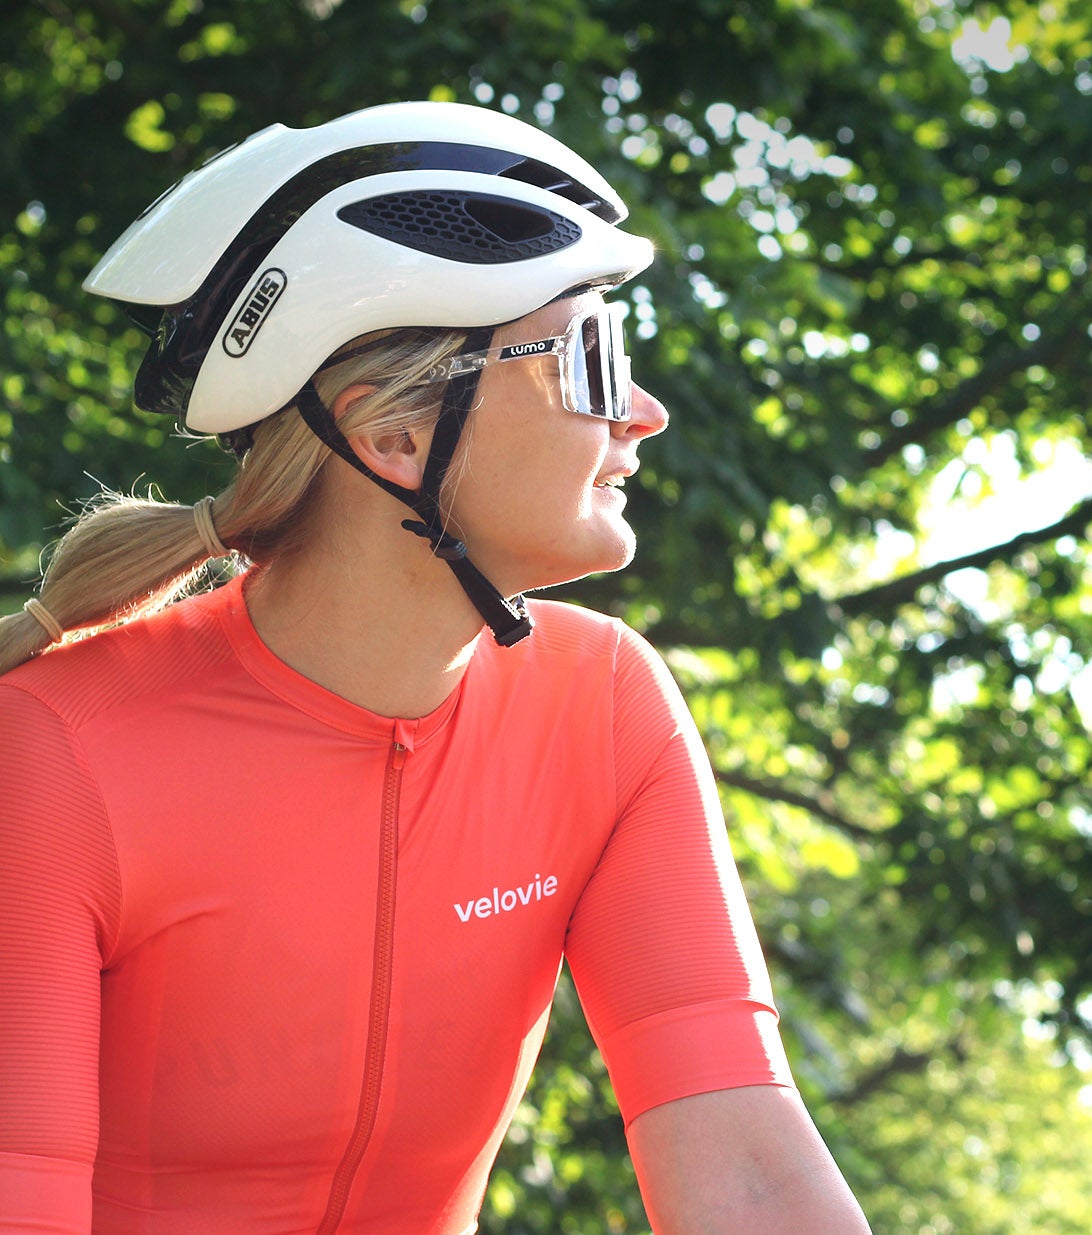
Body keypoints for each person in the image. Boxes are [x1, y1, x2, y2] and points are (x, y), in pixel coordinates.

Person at [0, 102, 870, 1233]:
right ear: (393, 435)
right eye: (592, 361)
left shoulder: (605, 704)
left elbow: (748, 1172)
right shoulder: (51, 751)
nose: (645, 415)